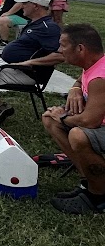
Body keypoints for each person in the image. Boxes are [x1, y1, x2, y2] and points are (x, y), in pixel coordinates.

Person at [42, 24, 105, 215]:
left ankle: (98, 198)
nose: (59, 50)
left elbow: (89, 122)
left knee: (79, 135)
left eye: (63, 45)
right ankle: (90, 182)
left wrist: (63, 117)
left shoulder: (100, 77)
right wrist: (75, 88)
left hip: (96, 124)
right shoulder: (93, 65)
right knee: (49, 119)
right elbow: (83, 78)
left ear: (80, 48)